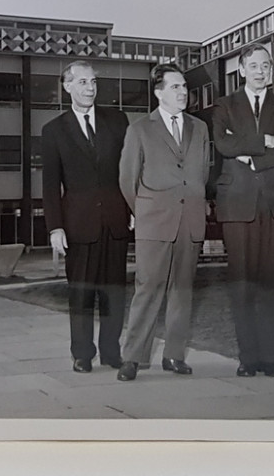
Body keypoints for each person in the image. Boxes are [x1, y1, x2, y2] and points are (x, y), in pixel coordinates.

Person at [116, 64, 210, 382]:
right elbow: (128, 180)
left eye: (184, 87)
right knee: (147, 287)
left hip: (190, 219)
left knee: (182, 291)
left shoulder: (200, 128)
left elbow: (201, 175)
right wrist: (144, 210)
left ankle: (174, 355)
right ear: (158, 92)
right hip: (154, 220)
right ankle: (132, 358)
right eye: (175, 87)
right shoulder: (140, 129)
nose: (183, 92)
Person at [212, 43, 274, 377]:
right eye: (254, 66)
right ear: (242, 70)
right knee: (243, 282)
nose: (261, 71)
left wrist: (246, 150)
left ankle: (270, 360)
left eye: (266, 65)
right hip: (238, 204)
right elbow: (222, 144)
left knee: (273, 283)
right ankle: (248, 359)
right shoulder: (225, 105)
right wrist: (264, 142)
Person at [41, 60, 131, 374]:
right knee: (80, 293)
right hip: (77, 226)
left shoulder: (118, 121)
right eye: (82, 82)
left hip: (116, 222)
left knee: (115, 293)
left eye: (93, 82)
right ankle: (82, 353)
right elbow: (51, 185)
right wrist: (55, 228)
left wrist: (131, 209)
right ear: (67, 86)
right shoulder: (53, 130)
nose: (90, 88)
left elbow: (129, 171)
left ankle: (111, 351)